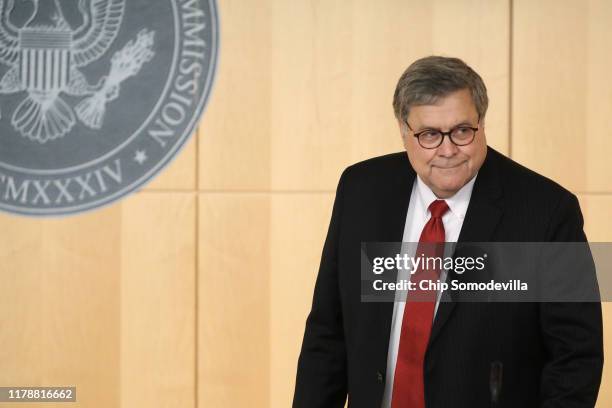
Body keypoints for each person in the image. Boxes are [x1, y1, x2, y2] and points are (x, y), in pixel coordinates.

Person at [292, 56, 603, 408]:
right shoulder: (362, 191)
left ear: (481, 122)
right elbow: (326, 335)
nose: (448, 150)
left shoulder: (546, 213)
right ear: (403, 130)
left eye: (461, 131)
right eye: (429, 135)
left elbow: (576, 357)